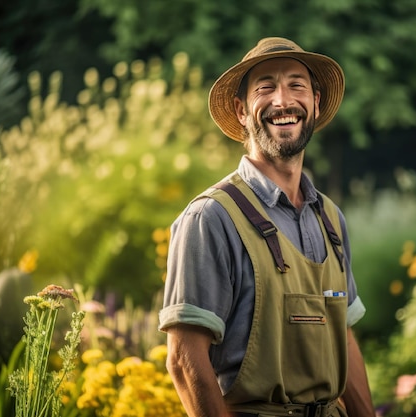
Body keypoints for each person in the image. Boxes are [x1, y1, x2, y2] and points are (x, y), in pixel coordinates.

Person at [159, 37, 375, 417]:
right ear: (242, 110)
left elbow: (344, 336)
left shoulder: (330, 218)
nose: (283, 101)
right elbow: (183, 359)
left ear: (316, 103)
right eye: (266, 88)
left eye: (297, 85)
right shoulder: (210, 218)